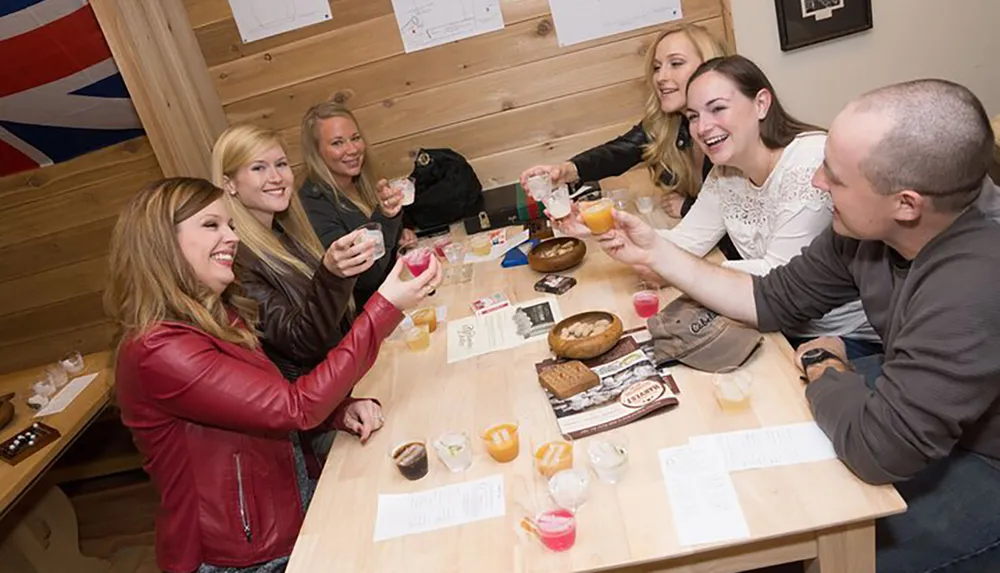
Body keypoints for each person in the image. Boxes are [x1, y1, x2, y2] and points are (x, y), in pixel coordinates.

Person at [596, 79, 1000, 572]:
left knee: (820, 550)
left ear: (907, 204)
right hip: (927, 417)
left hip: (983, 458)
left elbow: (879, 449)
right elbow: (770, 299)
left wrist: (825, 366)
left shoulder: (974, 280)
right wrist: (657, 251)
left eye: (836, 176)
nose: (817, 182)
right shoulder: (864, 231)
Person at [105, 177, 441, 573]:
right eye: (212, 225)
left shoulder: (215, 315)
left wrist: (339, 411)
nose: (231, 237)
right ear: (160, 243)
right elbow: (295, 407)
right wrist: (384, 308)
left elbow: (265, 400)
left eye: (231, 225)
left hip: (288, 507)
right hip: (241, 557)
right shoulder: (158, 350)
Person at [556, 55, 878, 357]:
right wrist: (609, 228)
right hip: (773, 327)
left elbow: (776, 284)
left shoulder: (807, 164)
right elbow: (684, 244)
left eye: (718, 109)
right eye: (693, 116)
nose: (702, 127)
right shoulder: (725, 172)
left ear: (761, 104)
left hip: (843, 340)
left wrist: (680, 267)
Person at [519, 24, 740, 259]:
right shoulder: (671, 124)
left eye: (676, 63)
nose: (661, 77)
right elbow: (620, 151)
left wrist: (687, 207)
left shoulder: (732, 137)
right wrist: (566, 170)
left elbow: (738, 222)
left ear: (709, 66)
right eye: (656, 67)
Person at [299, 102, 417, 308]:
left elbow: (387, 234)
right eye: (337, 143)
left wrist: (401, 234)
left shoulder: (363, 180)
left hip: (398, 295)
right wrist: (387, 218)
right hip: (371, 316)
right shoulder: (313, 204)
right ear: (316, 152)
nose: (352, 149)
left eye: (355, 138)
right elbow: (366, 277)